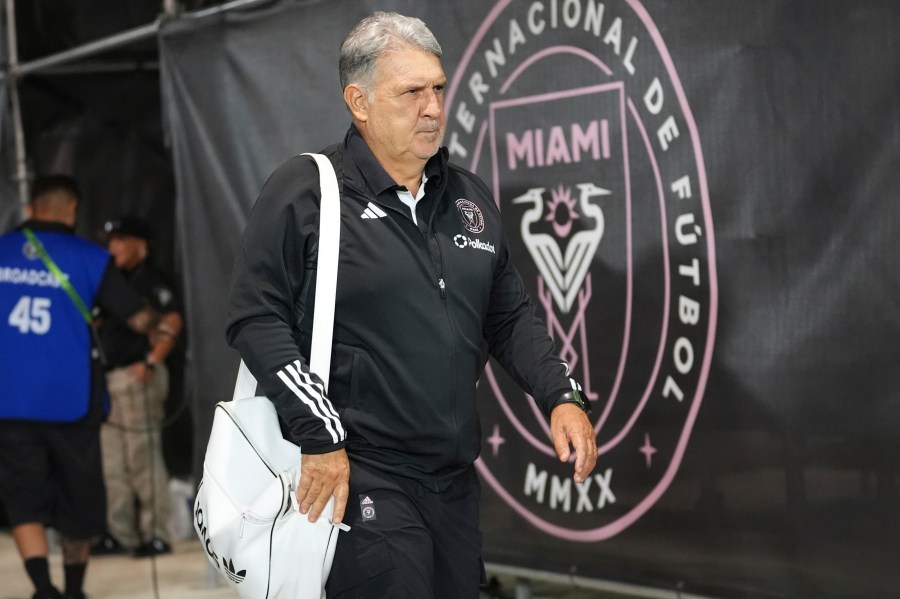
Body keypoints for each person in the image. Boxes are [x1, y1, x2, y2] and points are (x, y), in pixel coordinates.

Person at [226, 11, 598, 598]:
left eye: (438, 89)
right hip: (361, 471)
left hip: (452, 481)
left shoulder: (468, 197)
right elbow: (254, 316)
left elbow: (509, 316)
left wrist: (561, 396)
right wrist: (320, 437)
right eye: (411, 92)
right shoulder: (308, 190)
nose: (432, 107)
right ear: (360, 101)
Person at [0, 175, 161, 599]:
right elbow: (139, 319)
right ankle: (73, 591)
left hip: (10, 400)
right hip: (71, 402)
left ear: (31, 209)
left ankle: (42, 589)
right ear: (71, 209)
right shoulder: (90, 258)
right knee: (79, 500)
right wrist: (158, 326)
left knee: (24, 499)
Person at [91, 215, 183, 558]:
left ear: (140, 245)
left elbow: (171, 323)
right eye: (110, 241)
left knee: (142, 457)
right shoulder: (109, 282)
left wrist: (151, 361)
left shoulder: (152, 281)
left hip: (135, 378)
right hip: (108, 379)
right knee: (112, 462)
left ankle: (156, 533)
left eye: (121, 240)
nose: (113, 247)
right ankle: (120, 533)